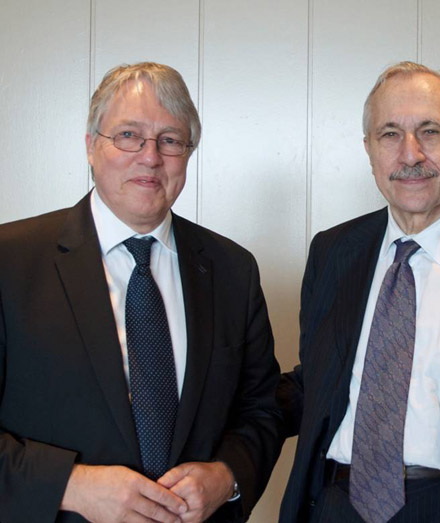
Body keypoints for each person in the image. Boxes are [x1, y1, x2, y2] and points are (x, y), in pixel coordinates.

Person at [0, 62, 283, 523]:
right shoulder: (10, 263)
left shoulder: (233, 270)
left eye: (170, 140)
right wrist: (72, 486)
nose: (150, 157)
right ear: (91, 146)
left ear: (188, 154)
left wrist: (227, 475)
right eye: (128, 135)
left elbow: (263, 409)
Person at [278, 61, 440, 523]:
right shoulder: (333, 251)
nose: (410, 155)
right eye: (390, 134)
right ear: (369, 150)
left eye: (430, 131)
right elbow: (315, 381)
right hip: (335, 502)